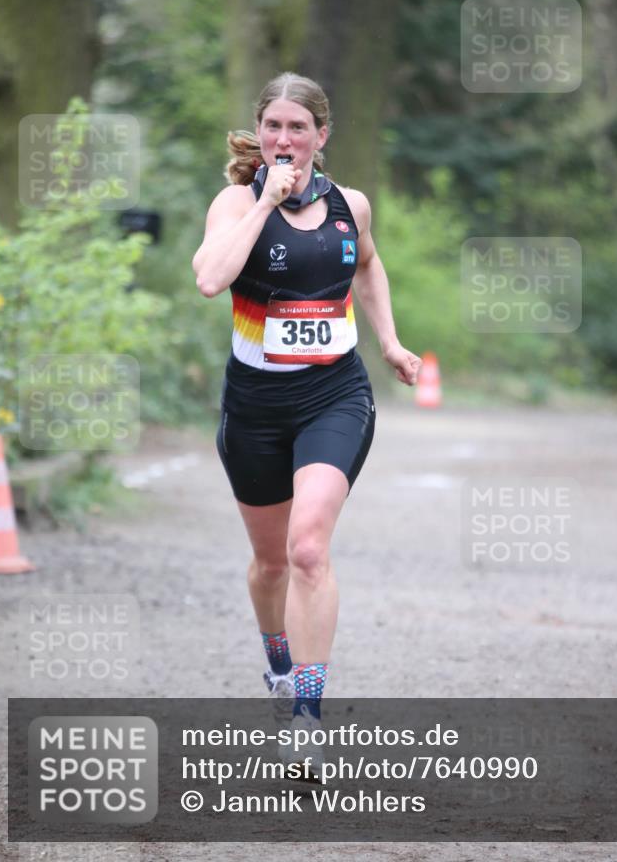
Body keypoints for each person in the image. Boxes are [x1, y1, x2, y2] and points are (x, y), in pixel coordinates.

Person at [192, 73, 421, 776]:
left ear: (322, 137)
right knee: (268, 565)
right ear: (258, 134)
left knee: (309, 552)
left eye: (298, 127)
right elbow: (209, 278)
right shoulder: (235, 201)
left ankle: (307, 715)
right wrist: (263, 202)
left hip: (334, 396)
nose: (284, 139)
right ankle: (277, 665)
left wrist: (387, 340)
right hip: (255, 407)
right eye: (272, 127)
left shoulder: (351, 205)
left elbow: (369, 269)